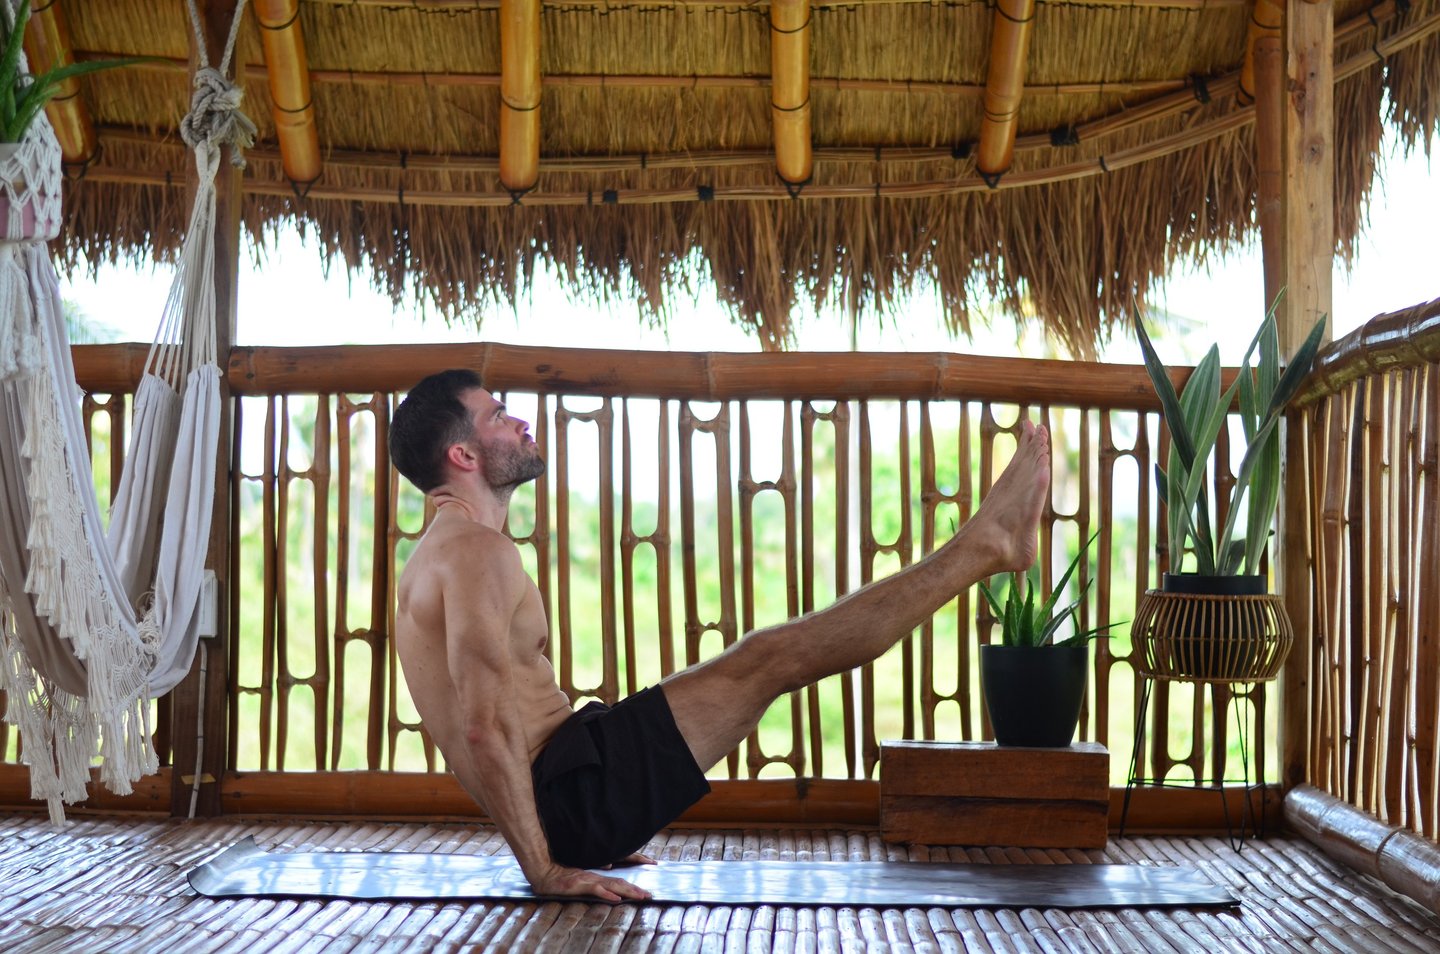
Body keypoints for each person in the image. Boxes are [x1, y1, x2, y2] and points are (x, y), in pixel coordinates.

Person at [389, 368, 1051, 902]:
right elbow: (481, 730)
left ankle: (984, 543)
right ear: (464, 454)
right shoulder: (478, 555)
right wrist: (549, 867)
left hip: (573, 783)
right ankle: (984, 546)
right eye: (498, 415)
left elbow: (482, 731)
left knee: (763, 656)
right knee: (774, 657)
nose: (521, 420)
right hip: (573, 798)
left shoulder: (433, 560)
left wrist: (562, 836)